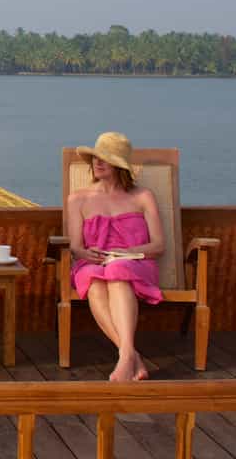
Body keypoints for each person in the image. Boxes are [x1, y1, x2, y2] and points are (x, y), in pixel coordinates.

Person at [67, 131, 164, 382]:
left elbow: (158, 245)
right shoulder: (78, 199)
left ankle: (125, 359)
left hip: (137, 262)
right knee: (95, 281)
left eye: (105, 159)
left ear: (120, 166)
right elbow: (76, 247)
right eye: (95, 158)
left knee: (118, 272)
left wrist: (127, 253)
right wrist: (85, 253)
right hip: (93, 262)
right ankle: (131, 356)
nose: (97, 163)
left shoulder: (142, 197)